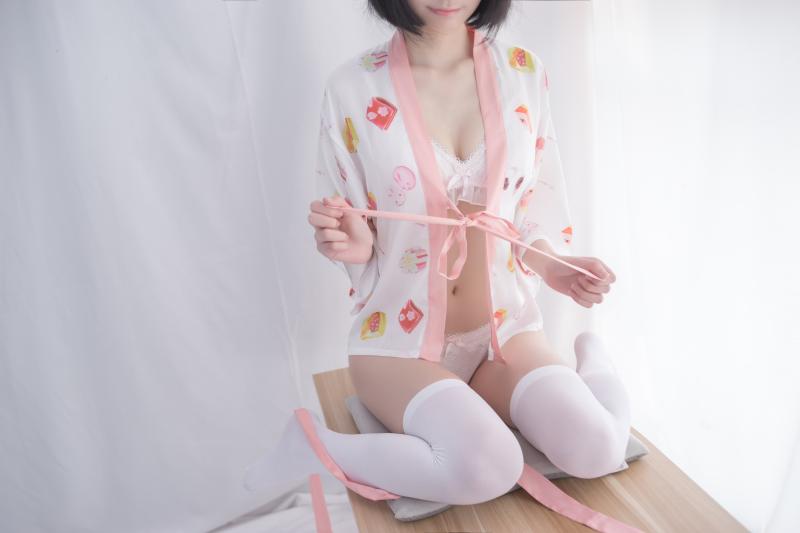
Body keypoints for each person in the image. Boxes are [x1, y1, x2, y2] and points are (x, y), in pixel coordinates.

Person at [244, 0, 631, 508]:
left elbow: (534, 200)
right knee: (487, 466)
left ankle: (593, 362)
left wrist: (551, 263)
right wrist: (354, 244)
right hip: (400, 345)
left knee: (598, 448)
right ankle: (313, 445)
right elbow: (353, 222)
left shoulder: (523, 72)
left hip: (505, 333)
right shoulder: (352, 88)